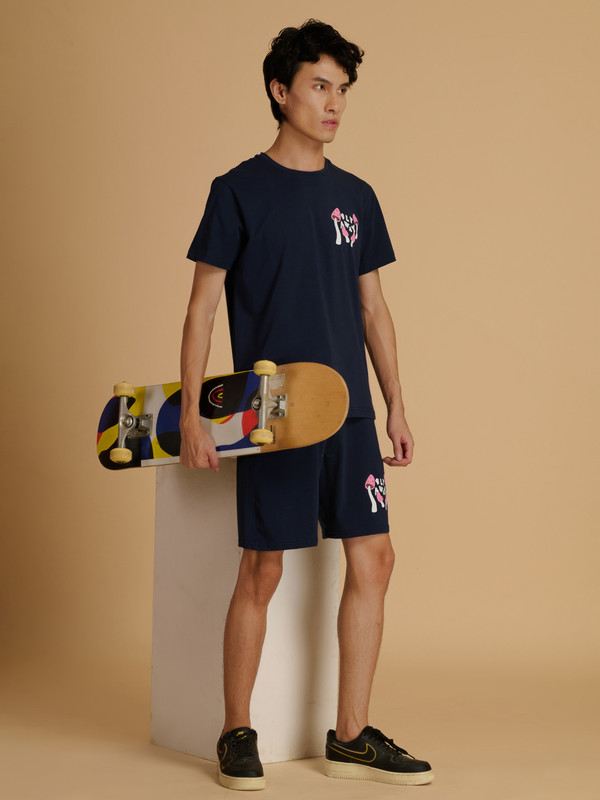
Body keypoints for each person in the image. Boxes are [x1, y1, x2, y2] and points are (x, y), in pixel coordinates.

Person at [179, 18, 433, 791]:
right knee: (264, 568)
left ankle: (350, 737)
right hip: (277, 416)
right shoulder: (237, 191)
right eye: (319, 86)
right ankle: (236, 731)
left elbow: (373, 310)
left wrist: (395, 404)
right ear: (279, 91)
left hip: (351, 415)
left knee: (376, 558)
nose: (334, 104)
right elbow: (202, 308)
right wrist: (190, 414)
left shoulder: (356, 197)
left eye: (342, 90)